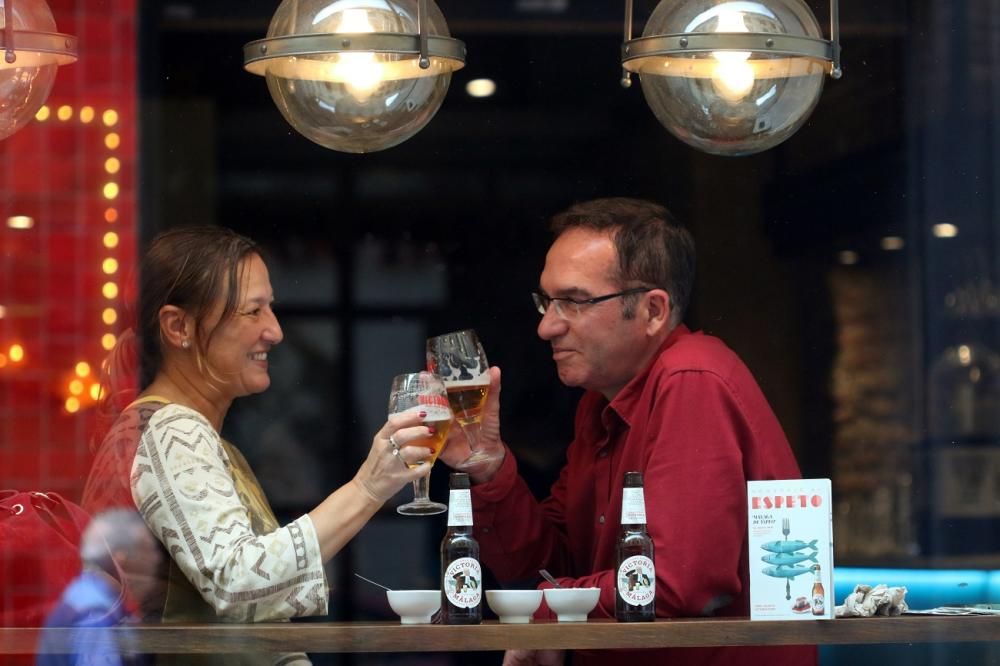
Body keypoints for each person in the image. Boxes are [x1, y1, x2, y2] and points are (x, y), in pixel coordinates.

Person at [439, 197, 817, 666]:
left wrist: (542, 611)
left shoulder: (690, 381)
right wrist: (488, 464)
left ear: (653, 310)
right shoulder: (599, 403)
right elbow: (555, 567)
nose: (546, 327)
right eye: (546, 301)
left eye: (574, 302)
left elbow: (670, 585)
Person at [81, 227, 432, 666]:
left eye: (271, 308)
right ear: (178, 326)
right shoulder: (174, 430)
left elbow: (251, 626)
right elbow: (241, 585)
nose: (276, 331)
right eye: (253, 311)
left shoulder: (183, 431)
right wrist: (367, 487)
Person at [37, 508, 162, 666]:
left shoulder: (87, 594)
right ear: (122, 558)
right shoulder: (95, 614)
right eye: (147, 549)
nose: (156, 559)